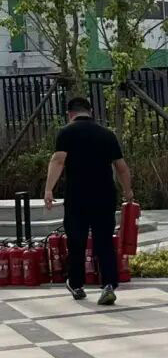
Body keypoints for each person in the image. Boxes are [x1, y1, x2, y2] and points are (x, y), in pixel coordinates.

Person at [43, 97, 133, 306]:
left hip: (77, 196)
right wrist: (128, 191)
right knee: (104, 241)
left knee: (77, 240)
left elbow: (58, 160)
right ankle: (108, 284)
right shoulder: (107, 134)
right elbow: (121, 167)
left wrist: (48, 189)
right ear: (91, 111)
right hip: (104, 195)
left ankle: (77, 285)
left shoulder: (66, 132)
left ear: (70, 114)